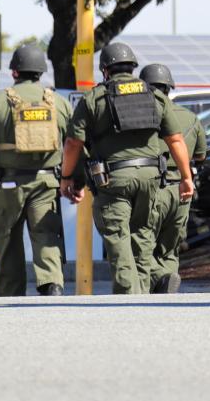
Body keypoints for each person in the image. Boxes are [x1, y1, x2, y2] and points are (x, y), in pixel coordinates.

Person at [59, 42, 195, 294]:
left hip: (113, 179)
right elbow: (175, 139)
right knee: (143, 235)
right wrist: (186, 177)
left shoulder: (94, 98)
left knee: (118, 236)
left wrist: (67, 177)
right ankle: (143, 295)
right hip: (152, 176)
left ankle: (127, 298)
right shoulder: (154, 95)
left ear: (105, 71)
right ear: (133, 68)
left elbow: (72, 143)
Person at [0, 45, 72, 296]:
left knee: (9, 241)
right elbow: (75, 142)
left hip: (7, 187)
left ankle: (11, 297)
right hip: (46, 184)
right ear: (42, 72)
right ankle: (52, 285)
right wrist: (74, 180)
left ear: (14, 72)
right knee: (46, 237)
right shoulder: (58, 103)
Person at [140, 64, 208, 294]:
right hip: (181, 188)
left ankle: (153, 281)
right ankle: (167, 277)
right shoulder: (191, 117)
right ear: (169, 87)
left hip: (151, 186)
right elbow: (200, 155)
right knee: (170, 248)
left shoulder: (138, 116)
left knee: (142, 241)